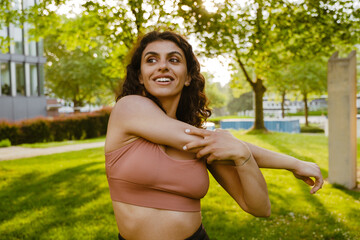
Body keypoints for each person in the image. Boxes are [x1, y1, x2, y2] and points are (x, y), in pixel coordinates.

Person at [105, 31, 323, 240]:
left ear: (188, 76)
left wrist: (243, 156)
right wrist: (292, 163)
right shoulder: (129, 108)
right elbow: (205, 140)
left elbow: (259, 208)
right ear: (141, 77)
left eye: (174, 60)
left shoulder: (204, 146)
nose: (162, 66)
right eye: (151, 60)